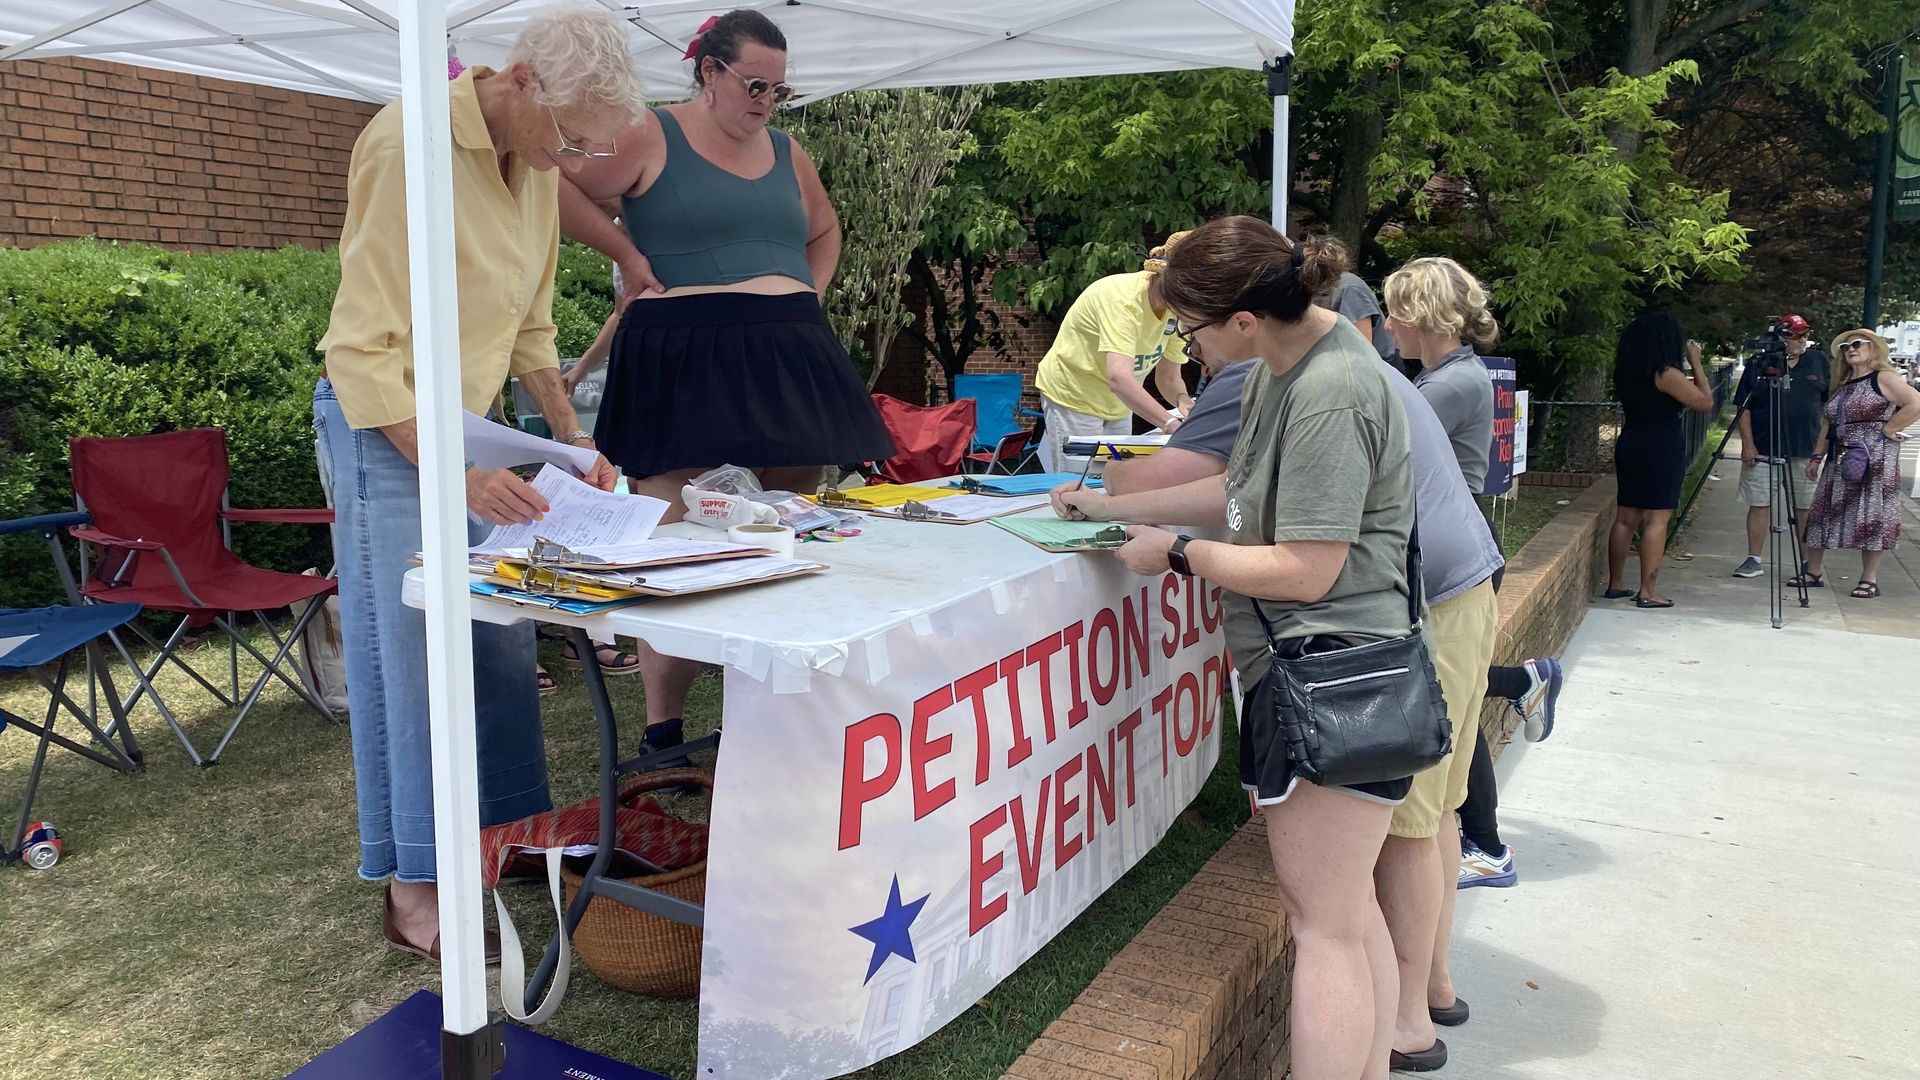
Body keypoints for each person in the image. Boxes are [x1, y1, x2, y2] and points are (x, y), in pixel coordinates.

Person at [313, 6, 643, 961]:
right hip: (390, 428)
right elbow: (361, 350)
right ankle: (415, 883)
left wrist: (573, 440)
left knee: (498, 643)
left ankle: (503, 846)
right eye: (572, 135)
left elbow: (531, 328)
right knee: (411, 658)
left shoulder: (534, 163)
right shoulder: (403, 145)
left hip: (472, 432)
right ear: (523, 80)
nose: (575, 158)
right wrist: (455, 476)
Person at [1053, 217, 1415, 1080]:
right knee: (1345, 908)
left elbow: (1308, 568)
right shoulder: (1286, 370)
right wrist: (1119, 510)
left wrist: (1176, 554)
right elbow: (1237, 488)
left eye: (1190, 330)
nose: (1186, 347)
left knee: (1320, 927)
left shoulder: (1328, 392)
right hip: (1320, 666)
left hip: (1332, 670)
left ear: (1244, 321)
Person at [555, 8, 894, 762]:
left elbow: (824, 228)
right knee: (676, 546)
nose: (767, 102)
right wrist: (626, 256)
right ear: (708, 70)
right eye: (754, 84)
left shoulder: (788, 149)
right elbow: (558, 188)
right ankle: (662, 733)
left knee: (788, 534)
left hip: (788, 354)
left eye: (779, 89)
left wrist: (805, 295)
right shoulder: (650, 131)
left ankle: (775, 714)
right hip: (685, 353)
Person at [1383, 256, 1563, 894]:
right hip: (1464, 545)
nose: (1387, 326)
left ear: (1420, 315)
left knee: (1451, 717)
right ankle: (1523, 685)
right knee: (1456, 711)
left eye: (1395, 312)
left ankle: (1485, 845)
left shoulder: (1445, 385)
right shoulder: (1453, 374)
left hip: (1450, 555)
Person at [1032, 234, 1196, 472]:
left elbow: (1169, 378)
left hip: (1119, 402)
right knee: (1080, 484)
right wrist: (1170, 423)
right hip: (1074, 395)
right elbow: (1119, 378)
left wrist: (1184, 403)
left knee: (1115, 478)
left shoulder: (1178, 310)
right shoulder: (1123, 300)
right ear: (1168, 278)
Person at [1795, 330, 1920, 597]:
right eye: (1845, 347)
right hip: (1840, 454)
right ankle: (1813, 570)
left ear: (1873, 348)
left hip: (1874, 457)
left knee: (1872, 514)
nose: (1850, 349)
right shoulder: (1844, 382)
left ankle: (1869, 579)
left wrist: (1890, 429)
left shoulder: (1883, 377)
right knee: (1822, 510)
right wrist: (1817, 455)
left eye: (1856, 344)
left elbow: (1915, 403)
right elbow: (1828, 422)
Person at [1605, 310, 1714, 607]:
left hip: (1631, 441)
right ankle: (1648, 591)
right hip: (1661, 446)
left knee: (1626, 517)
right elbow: (1705, 402)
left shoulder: (1627, 369)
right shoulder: (1666, 373)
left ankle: (1616, 582)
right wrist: (1696, 363)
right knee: (1656, 519)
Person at [1732, 314, 1828, 579]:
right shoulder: (1758, 364)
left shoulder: (1818, 361)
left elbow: (1829, 407)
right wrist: (1747, 444)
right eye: (1795, 335)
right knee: (1759, 502)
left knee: (1804, 506)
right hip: (1762, 447)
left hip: (1803, 448)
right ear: (1781, 337)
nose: (1801, 340)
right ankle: (1753, 559)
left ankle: (1808, 563)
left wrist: (1819, 452)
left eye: (1804, 334)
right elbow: (1744, 407)